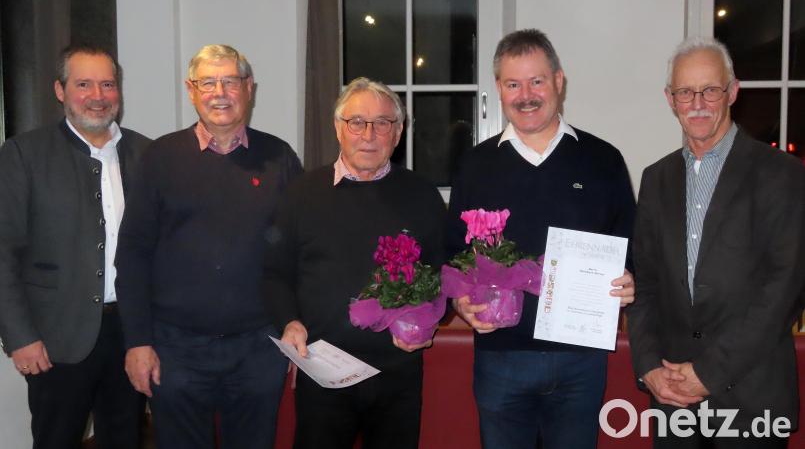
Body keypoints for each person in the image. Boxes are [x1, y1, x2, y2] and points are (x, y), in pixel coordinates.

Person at [446, 29, 636, 449]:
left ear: (559, 81)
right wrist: (460, 301)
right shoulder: (475, 165)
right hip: (500, 359)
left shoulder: (603, 159)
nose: (526, 95)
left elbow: (632, 245)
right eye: (513, 84)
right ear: (499, 88)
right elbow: (454, 253)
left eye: (537, 81)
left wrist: (630, 279)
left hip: (580, 361)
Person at [114, 44, 302, 448]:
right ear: (191, 90)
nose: (220, 92)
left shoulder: (280, 158)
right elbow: (131, 253)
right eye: (208, 82)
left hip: (258, 348)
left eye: (231, 81)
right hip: (176, 350)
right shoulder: (159, 157)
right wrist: (137, 342)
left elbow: (299, 253)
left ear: (249, 87)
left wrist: (295, 323)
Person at [627, 37, 805, 448]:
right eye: (685, 92)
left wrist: (708, 373)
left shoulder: (782, 174)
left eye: (710, 89)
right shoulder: (657, 179)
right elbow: (646, 283)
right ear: (670, 99)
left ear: (733, 91)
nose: (698, 103)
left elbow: (784, 290)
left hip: (750, 398)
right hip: (673, 400)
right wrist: (649, 366)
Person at [265, 77, 446, 449]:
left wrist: (429, 321)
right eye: (356, 122)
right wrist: (289, 321)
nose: (369, 134)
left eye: (382, 123)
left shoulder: (423, 195)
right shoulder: (301, 193)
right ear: (337, 128)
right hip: (322, 371)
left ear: (397, 133)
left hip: (397, 374)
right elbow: (275, 272)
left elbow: (441, 278)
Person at [0, 44, 149, 449]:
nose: (98, 96)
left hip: (130, 332)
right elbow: (3, 251)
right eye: (83, 84)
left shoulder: (146, 153)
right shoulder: (22, 154)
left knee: (125, 438)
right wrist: (18, 336)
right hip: (54, 337)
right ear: (60, 90)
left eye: (107, 84)